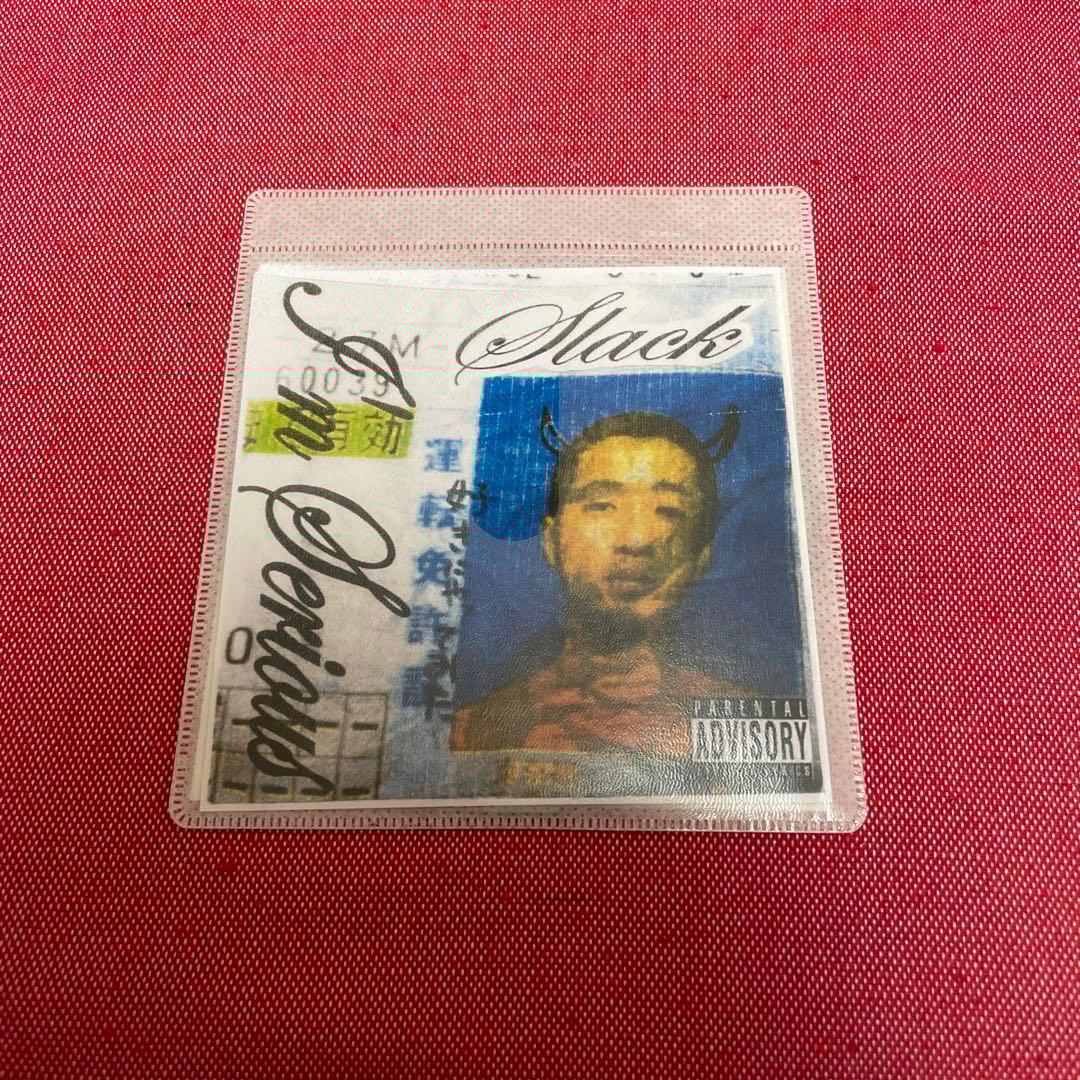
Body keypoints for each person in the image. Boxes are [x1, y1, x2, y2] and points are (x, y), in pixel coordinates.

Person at [451, 410, 747, 756]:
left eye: (668, 510)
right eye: (603, 505)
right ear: (551, 540)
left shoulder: (743, 729)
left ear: (702, 554)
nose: (636, 540)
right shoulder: (473, 734)